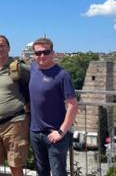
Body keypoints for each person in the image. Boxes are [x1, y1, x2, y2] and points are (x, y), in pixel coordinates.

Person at [29, 37, 78, 176]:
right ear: (34, 55)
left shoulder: (62, 75)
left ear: (53, 53)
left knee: (58, 173)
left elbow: (73, 106)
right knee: (41, 172)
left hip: (55, 135)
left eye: (46, 52)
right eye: (38, 53)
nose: (42, 56)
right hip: (35, 133)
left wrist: (61, 132)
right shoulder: (33, 69)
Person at [0, 35, 30, 176]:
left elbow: (36, 85)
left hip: (15, 123)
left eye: (2, 45)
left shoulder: (18, 67)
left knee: (15, 166)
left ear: (8, 48)